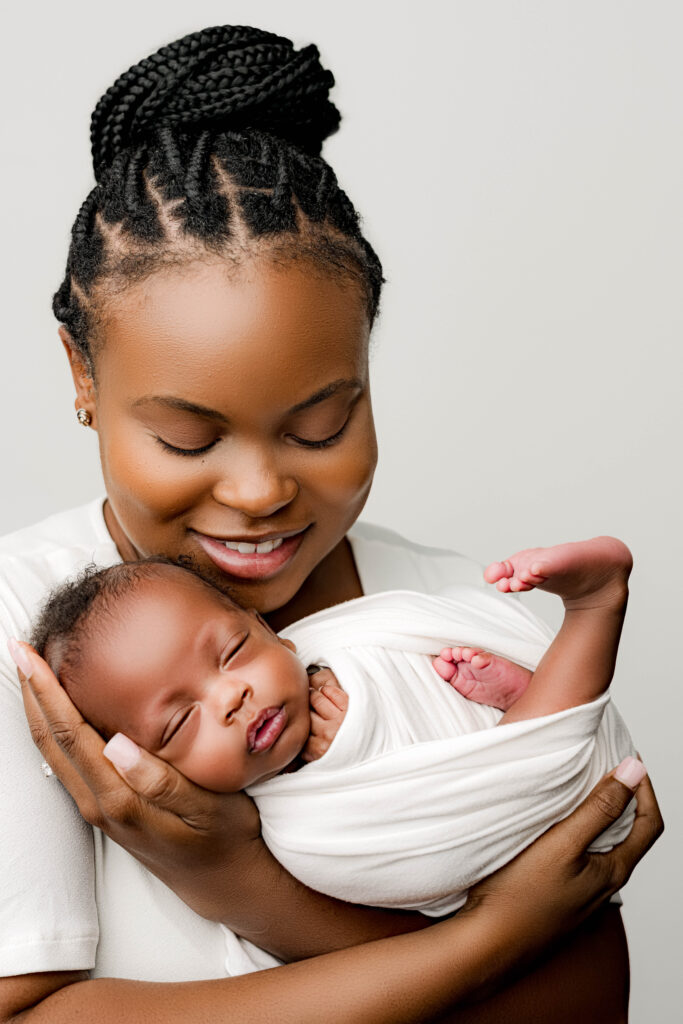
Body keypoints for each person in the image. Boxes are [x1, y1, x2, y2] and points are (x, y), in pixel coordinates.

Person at [0, 24, 662, 1023]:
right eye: (187, 439)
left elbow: (582, 998)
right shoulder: (24, 634)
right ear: (82, 376)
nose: (261, 490)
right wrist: (492, 936)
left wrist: (241, 882)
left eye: (322, 421)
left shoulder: (462, 620)